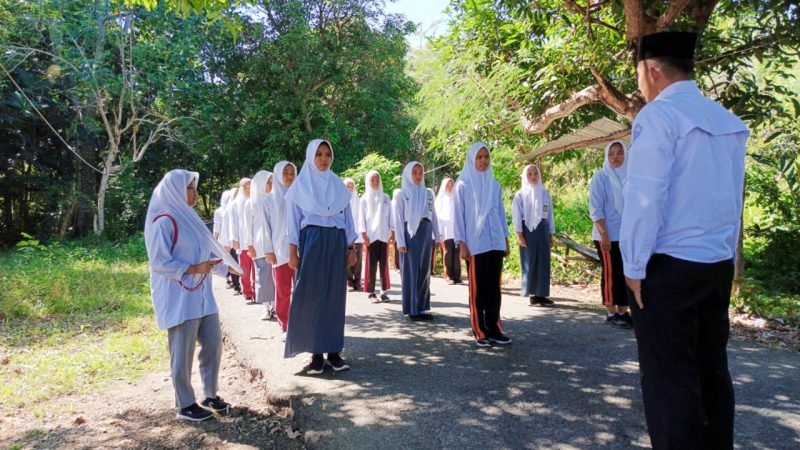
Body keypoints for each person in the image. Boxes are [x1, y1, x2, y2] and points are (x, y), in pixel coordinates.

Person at [620, 31, 749, 450]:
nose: (640, 84)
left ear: (653, 71)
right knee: (712, 371)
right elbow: (733, 200)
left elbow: (645, 198)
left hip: (668, 268)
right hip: (713, 265)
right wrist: (726, 260)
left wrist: (634, 267)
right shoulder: (727, 121)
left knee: (668, 380)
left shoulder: (658, 117)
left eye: (639, 75)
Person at [144, 169, 243, 422]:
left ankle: (210, 394)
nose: (194, 192)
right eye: (189, 188)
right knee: (182, 351)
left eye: (193, 187)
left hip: (202, 296)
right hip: (179, 299)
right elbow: (159, 262)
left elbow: (206, 255)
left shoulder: (191, 219)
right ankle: (185, 404)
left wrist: (227, 267)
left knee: (212, 345)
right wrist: (191, 269)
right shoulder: (164, 221)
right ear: (175, 190)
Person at [284, 140, 358, 375]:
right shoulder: (300, 187)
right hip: (312, 241)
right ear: (310, 157)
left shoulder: (338, 185)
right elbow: (292, 222)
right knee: (312, 295)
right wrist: (292, 252)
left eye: (327, 154)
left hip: (336, 242)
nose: (324, 158)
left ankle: (334, 352)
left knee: (334, 296)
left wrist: (351, 247)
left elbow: (348, 219)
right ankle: (316, 354)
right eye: (318, 154)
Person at [453, 142, 511, 347]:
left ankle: (495, 328)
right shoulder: (463, 184)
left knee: (494, 288)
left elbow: (500, 214)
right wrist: (461, 243)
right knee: (478, 291)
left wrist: (505, 238)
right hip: (475, 244)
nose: (483, 161)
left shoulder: (494, 185)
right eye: (479, 157)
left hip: (495, 241)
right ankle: (480, 330)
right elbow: (458, 217)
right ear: (471, 159)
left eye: (486, 157)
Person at [589, 141, 632, 328]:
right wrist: (604, 234)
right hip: (606, 234)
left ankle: (623, 311)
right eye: (611, 154)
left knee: (625, 273)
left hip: (626, 235)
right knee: (610, 273)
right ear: (606, 157)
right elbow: (596, 209)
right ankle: (611, 311)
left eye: (619, 153)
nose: (615, 157)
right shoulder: (601, 178)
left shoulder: (631, 177)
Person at [395, 162, 440, 320]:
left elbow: (433, 215)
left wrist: (437, 237)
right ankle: (412, 309)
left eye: (421, 172)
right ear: (408, 174)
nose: (418, 176)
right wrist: (400, 241)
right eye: (414, 173)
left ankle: (422, 307)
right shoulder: (402, 195)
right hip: (410, 234)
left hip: (425, 231)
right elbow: (398, 219)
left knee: (424, 271)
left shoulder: (428, 193)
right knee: (411, 271)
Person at [512, 164, 555, 307]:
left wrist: (550, 233)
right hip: (527, 230)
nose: (533, 176)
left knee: (543, 261)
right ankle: (531, 294)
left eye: (535, 173)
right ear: (525, 176)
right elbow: (517, 216)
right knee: (529, 261)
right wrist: (519, 235)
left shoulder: (544, 193)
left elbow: (550, 215)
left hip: (542, 229)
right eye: (529, 174)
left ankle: (541, 295)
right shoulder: (520, 195)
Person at [266, 161, 297, 340]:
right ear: (277, 175)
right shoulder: (269, 200)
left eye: (292, 172)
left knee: (301, 289)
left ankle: (300, 324)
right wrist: (268, 250)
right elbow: (265, 228)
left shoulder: (300, 196)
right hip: (280, 252)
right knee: (283, 290)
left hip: (300, 251)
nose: (289, 176)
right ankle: (285, 325)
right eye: (285, 172)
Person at [245, 170, 277, 321]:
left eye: (272, 182)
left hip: (275, 245)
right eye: (268, 182)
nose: (271, 185)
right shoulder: (250, 203)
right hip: (259, 246)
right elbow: (247, 226)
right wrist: (249, 245)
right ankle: (266, 307)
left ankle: (277, 306)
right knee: (264, 277)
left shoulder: (274, 199)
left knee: (276, 276)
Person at [359, 170, 393, 303]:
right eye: (372, 180)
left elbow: (391, 216)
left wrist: (393, 232)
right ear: (368, 181)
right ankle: (371, 292)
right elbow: (361, 218)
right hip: (371, 236)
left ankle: (384, 292)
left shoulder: (385, 197)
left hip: (383, 235)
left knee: (384, 265)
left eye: (377, 179)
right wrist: (363, 235)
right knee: (371, 265)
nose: (375, 182)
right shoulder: (364, 198)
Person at [435, 177, 462, 284]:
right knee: (448, 252)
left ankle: (457, 276)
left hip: (456, 230)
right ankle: (448, 276)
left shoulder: (456, 198)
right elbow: (438, 216)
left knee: (457, 252)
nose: (450, 187)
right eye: (448, 185)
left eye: (452, 184)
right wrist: (440, 231)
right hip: (446, 229)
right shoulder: (441, 199)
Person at [236, 178, 257, 304]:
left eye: (251, 187)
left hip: (255, 242)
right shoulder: (236, 204)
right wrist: (233, 239)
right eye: (246, 187)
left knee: (256, 270)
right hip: (242, 242)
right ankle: (247, 292)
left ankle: (256, 292)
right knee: (244, 269)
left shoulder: (254, 202)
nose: (249, 189)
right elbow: (232, 223)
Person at [344, 178, 364, 292]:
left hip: (358, 235)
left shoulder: (359, 201)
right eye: (348, 186)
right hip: (347, 235)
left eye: (352, 186)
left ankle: (357, 282)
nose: (350, 188)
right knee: (347, 259)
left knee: (358, 260)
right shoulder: (341, 201)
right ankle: (348, 282)